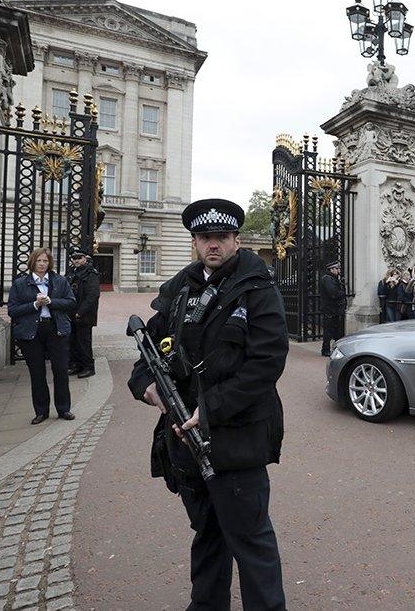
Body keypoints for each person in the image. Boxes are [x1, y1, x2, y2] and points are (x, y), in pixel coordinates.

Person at [127, 198, 288, 610]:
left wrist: (211, 408)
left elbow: (266, 362)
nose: (212, 245)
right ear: (195, 242)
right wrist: (145, 384)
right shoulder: (180, 288)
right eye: (204, 238)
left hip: (236, 438)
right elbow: (149, 353)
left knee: (251, 543)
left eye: (220, 237)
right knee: (208, 535)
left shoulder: (257, 288)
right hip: (185, 438)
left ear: (235, 239)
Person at [8, 248, 76, 424]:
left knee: (60, 370)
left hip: (55, 328)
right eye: (39, 261)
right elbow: (13, 310)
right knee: (37, 372)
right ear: (33, 262)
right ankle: (41, 411)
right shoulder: (20, 283)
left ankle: (64, 409)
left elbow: (71, 302)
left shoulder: (60, 281)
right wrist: (35, 304)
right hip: (32, 331)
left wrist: (51, 301)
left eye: (45, 261)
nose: (42, 264)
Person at [67, 248, 100, 378]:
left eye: (79, 258)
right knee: (72, 341)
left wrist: (80, 312)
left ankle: (88, 367)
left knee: (83, 342)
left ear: (85, 258)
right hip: (71, 312)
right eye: (74, 258)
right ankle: (75, 364)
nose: (76, 261)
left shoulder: (91, 273)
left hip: (84, 314)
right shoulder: (71, 272)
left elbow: (92, 296)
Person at [320, 259, 347, 356]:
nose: (338, 271)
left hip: (335, 309)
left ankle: (337, 348)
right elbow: (333, 293)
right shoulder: (327, 279)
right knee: (328, 331)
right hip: (330, 309)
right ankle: (325, 349)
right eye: (337, 268)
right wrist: (344, 293)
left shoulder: (333, 278)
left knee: (337, 330)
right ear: (331, 269)